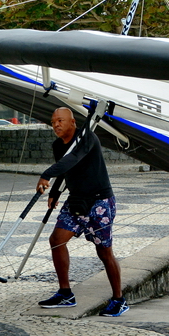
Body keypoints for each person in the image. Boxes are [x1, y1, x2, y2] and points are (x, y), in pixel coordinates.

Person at [36, 107, 127, 317]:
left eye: (60, 120)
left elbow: (73, 158)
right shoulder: (58, 145)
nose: (56, 125)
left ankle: (119, 299)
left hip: (99, 202)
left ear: (73, 123)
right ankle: (65, 293)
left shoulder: (87, 138)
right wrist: (56, 193)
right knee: (56, 240)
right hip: (76, 200)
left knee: (104, 252)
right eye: (53, 122)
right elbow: (65, 168)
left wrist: (46, 174)